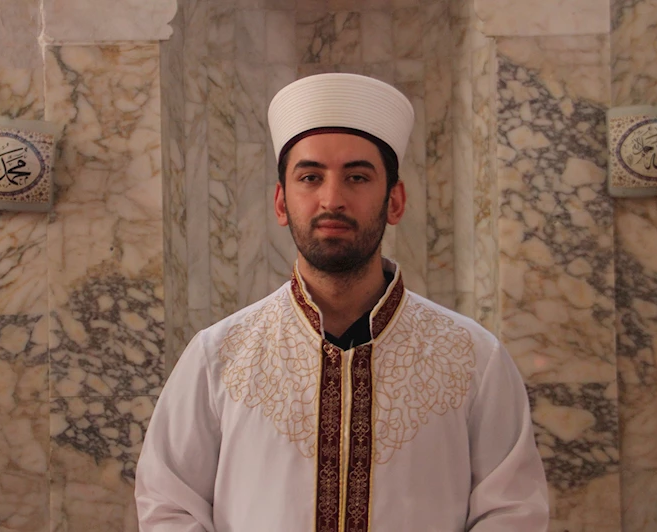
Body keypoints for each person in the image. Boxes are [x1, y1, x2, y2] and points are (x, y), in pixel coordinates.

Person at [135, 73, 549, 531]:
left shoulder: (472, 358)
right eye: (310, 177)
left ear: (395, 201)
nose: (332, 199)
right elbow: (169, 504)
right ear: (281, 202)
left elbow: (512, 511)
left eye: (357, 177)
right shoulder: (219, 356)